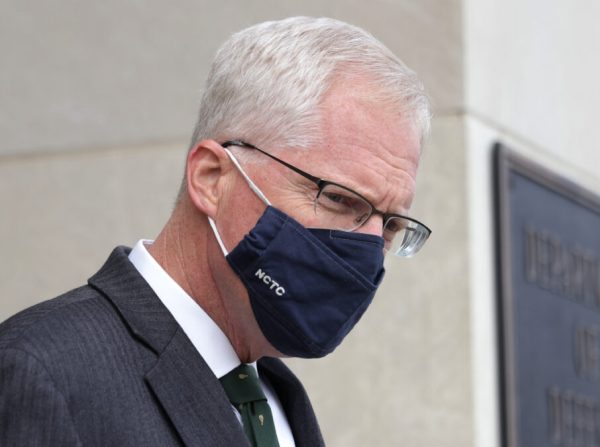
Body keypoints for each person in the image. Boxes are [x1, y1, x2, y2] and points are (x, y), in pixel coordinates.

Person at [0, 16, 431, 447]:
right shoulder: (40, 370)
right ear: (211, 178)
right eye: (339, 199)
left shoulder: (278, 398)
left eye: (390, 225)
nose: (370, 250)